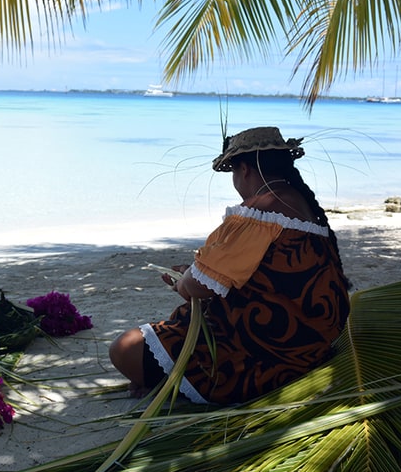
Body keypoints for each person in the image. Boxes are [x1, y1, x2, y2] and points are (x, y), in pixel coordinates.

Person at [109, 126, 351, 404]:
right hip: (309, 347)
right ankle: (162, 380)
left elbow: (197, 288)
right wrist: (193, 274)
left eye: (234, 171)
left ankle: (169, 384)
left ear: (244, 169)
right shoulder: (299, 207)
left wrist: (184, 281)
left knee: (124, 349)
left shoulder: (262, 210)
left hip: (269, 357)